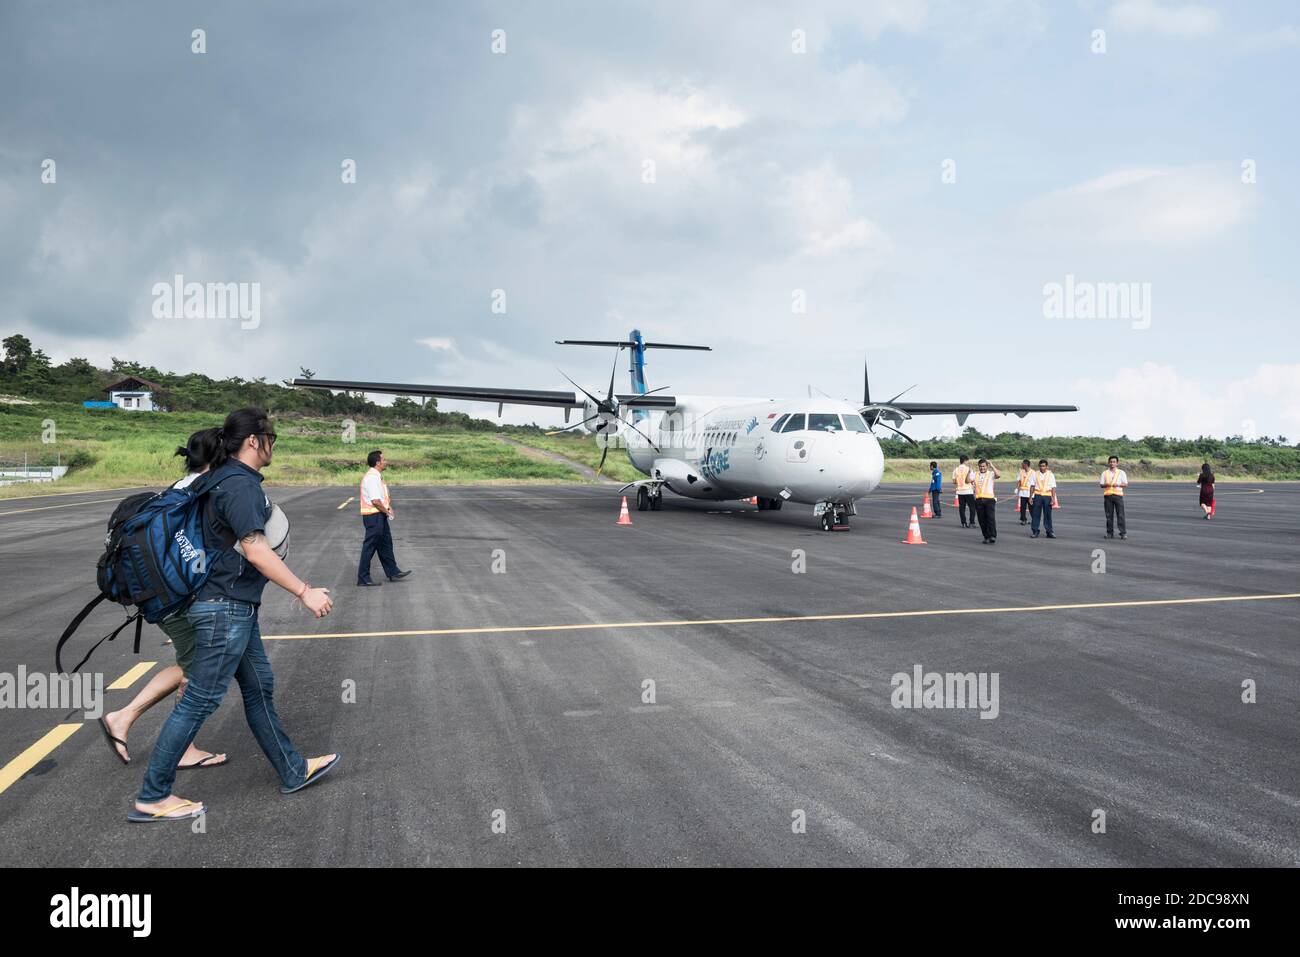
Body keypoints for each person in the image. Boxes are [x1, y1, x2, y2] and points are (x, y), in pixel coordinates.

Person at [131, 408, 338, 823]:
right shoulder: (239, 485)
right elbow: (256, 549)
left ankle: (293, 769)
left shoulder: (219, 479)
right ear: (254, 441)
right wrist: (305, 591)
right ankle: (153, 795)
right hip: (225, 608)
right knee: (200, 700)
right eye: (272, 437)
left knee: (259, 686)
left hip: (230, 606)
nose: (274, 444)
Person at [99, 429, 227, 771]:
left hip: (160, 597)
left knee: (192, 663)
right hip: (178, 600)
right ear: (219, 458)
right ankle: (175, 745)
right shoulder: (200, 493)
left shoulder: (176, 488)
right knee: (198, 669)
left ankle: (124, 718)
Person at [357, 450, 412, 586]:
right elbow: (375, 501)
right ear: (377, 462)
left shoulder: (377, 476)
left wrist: (388, 507)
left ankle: (393, 571)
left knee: (385, 544)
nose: (386, 461)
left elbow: (381, 498)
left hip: (379, 515)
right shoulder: (372, 478)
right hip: (373, 516)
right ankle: (363, 578)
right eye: (384, 459)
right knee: (370, 547)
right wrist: (387, 512)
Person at [972, 458, 1001, 544]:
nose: (982, 468)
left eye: (984, 466)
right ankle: (986, 536)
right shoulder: (975, 474)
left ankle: (992, 536)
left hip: (989, 499)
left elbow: (998, 475)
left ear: (987, 466)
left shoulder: (991, 473)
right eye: (980, 466)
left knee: (990, 518)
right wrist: (969, 472)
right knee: (981, 519)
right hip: (979, 499)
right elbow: (967, 480)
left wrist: (992, 465)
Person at [1100, 454, 1128, 539]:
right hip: (1108, 496)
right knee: (1109, 516)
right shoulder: (1104, 473)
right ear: (1109, 463)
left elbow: (1126, 484)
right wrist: (1106, 484)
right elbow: (1101, 485)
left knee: (1120, 515)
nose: (1112, 463)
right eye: (1111, 462)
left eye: (1114, 462)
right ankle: (1109, 532)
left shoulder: (1121, 472)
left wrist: (1118, 484)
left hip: (1118, 496)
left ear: (1117, 463)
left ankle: (1123, 533)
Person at [1029, 458, 1057, 538]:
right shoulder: (1035, 474)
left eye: (1044, 466)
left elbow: (1053, 487)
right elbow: (1032, 486)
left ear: (1047, 467)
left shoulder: (1050, 475)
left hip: (1047, 496)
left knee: (1047, 515)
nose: (1042, 468)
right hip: (1037, 496)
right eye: (1040, 466)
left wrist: (1053, 498)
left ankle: (1049, 531)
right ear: (1038, 466)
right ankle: (1035, 531)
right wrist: (1030, 497)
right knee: (1035, 514)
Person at [953, 455, 976, 529]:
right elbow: (971, 480)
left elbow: (954, 481)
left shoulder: (956, 469)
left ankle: (963, 523)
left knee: (962, 508)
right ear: (965, 460)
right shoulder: (969, 469)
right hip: (968, 491)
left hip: (960, 491)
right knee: (972, 507)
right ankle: (971, 523)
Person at [1014, 459, 1033, 525]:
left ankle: (1034, 519)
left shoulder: (1033, 472)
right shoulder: (1021, 472)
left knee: (1031, 508)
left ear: (1026, 465)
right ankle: (1023, 519)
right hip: (1022, 493)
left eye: (1023, 464)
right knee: (1022, 508)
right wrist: (1017, 488)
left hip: (1030, 493)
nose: (1022, 465)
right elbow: (1019, 481)